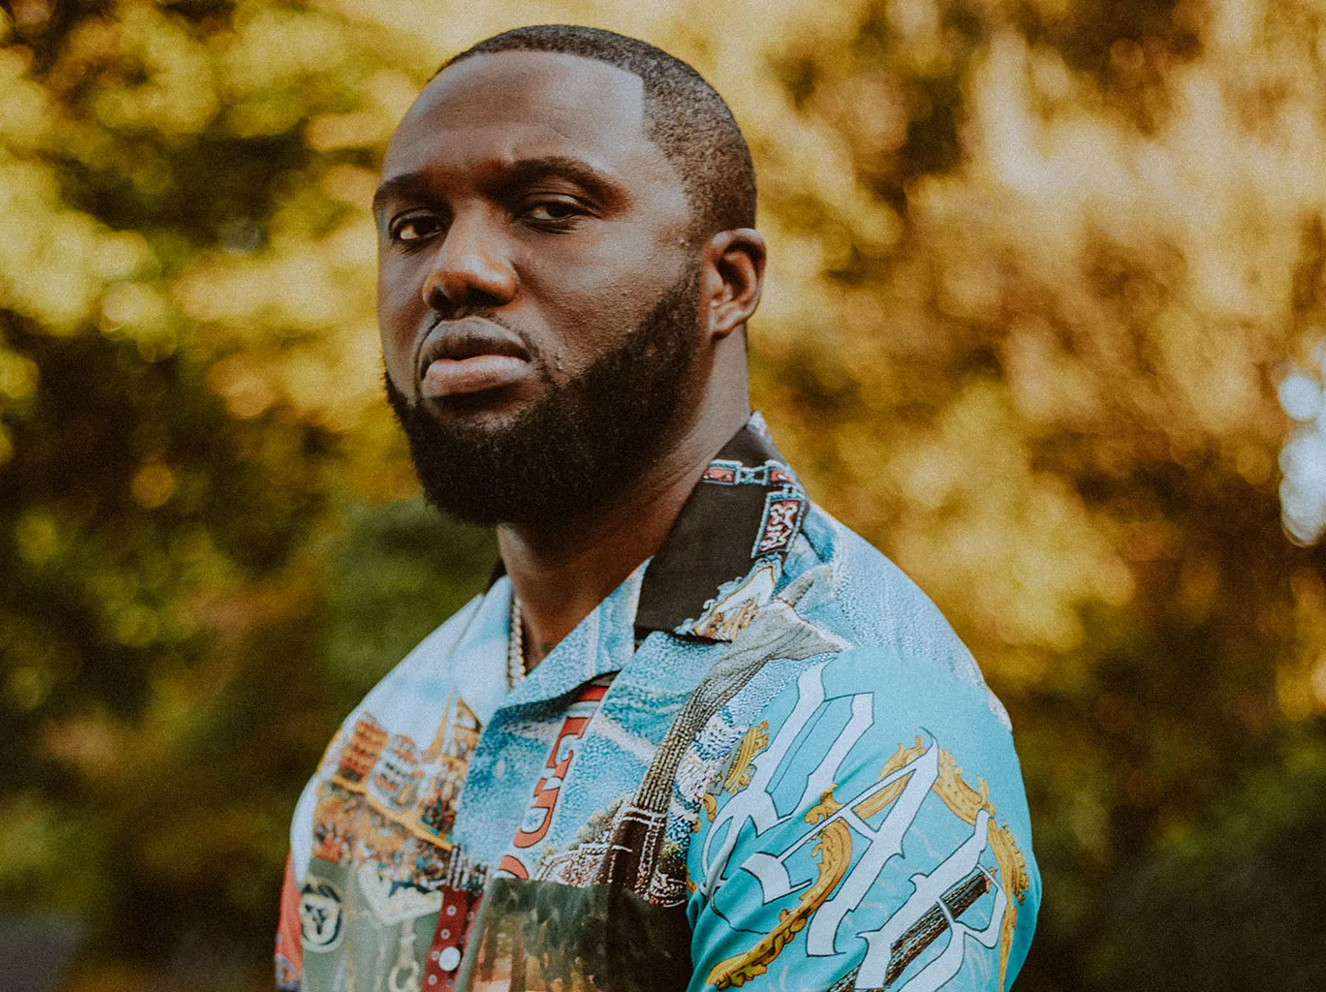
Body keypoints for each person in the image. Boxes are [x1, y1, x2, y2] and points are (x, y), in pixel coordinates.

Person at [276, 24, 1040, 992]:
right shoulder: (387, 732)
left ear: (725, 284)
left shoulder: (857, 727)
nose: (454, 270)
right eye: (414, 226)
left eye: (549, 209)